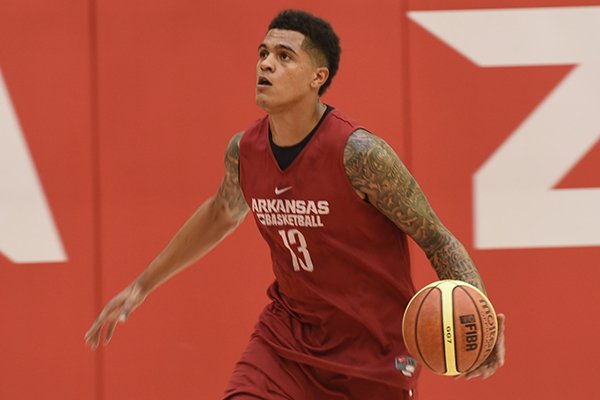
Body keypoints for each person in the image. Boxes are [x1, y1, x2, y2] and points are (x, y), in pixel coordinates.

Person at [85, 9, 506, 399]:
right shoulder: (244, 151)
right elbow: (221, 211)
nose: (266, 64)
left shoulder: (360, 155)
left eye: (284, 56)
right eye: (263, 53)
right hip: (287, 339)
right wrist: (141, 285)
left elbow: (436, 238)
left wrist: (481, 317)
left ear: (317, 77)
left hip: (374, 351)